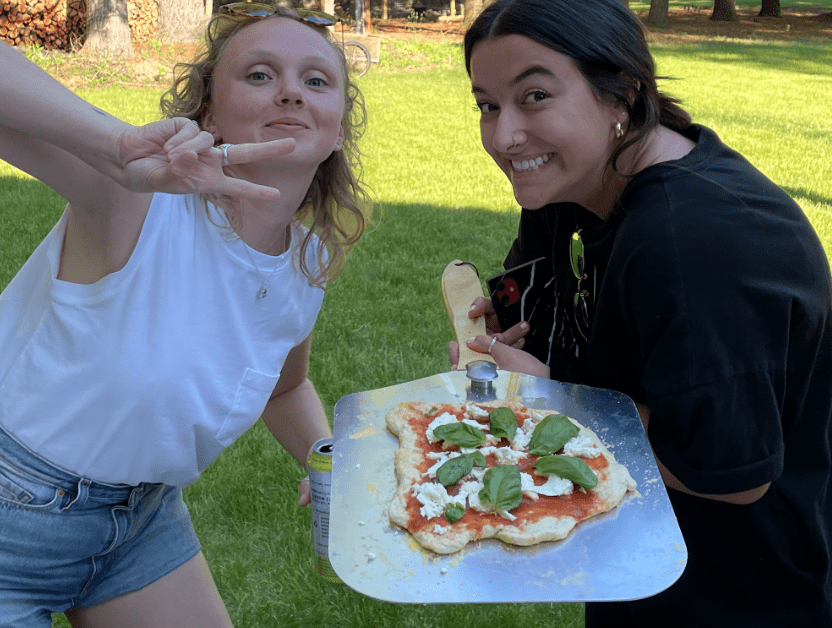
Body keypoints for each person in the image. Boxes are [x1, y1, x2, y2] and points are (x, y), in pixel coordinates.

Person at [450, 0, 832, 626]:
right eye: (487, 104)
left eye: (536, 96)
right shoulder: (568, 187)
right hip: (634, 562)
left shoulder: (694, 242)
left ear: (621, 95)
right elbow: (556, 326)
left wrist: (550, 399)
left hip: (736, 590)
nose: (503, 136)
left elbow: (730, 473)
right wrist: (512, 342)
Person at [0, 4, 368, 626]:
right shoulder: (135, 196)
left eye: (315, 81)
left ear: (336, 132)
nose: (289, 92)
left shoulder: (308, 259)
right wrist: (113, 148)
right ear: (208, 114)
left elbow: (288, 385)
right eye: (258, 75)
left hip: (140, 521)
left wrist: (327, 457)